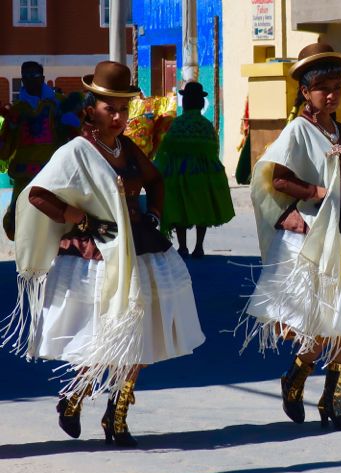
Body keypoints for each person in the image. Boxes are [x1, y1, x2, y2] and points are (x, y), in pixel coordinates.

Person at [4, 61, 205, 447]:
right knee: (103, 336)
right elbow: (38, 194)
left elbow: (155, 179)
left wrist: (156, 214)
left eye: (123, 109)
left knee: (140, 333)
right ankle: (75, 397)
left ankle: (118, 415)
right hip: (97, 254)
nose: (118, 117)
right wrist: (75, 217)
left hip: (139, 247)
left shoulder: (126, 147)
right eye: (109, 109)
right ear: (90, 111)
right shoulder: (76, 151)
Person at [241, 43, 341, 430]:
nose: (331, 94)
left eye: (337, 87)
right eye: (323, 87)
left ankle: (333, 402)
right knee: (322, 324)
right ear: (305, 91)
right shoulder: (297, 130)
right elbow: (273, 176)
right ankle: (296, 375)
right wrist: (313, 194)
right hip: (321, 230)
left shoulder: (338, 129)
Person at [154, 81, 235, 258]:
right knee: (202, 209)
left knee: (181, 209)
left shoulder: (178, 124)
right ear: (200, 103)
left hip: (180, 175)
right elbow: (213, 150)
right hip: (203, 176)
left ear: (186, 102)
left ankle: (182, 246)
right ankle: (199, 247)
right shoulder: (206, 125)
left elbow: (167, 148)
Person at [0, 61, 78, 240]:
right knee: (20, 223)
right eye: (25, 77)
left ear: (43, 78)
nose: (30, 80)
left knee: (57, 222)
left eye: (34, 76)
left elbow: (74, 137)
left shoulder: (58, 105)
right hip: (24, 177)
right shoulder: (17, 110)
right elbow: (4, 150)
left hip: (54, 175)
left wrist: (71, 122)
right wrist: (10, 125)